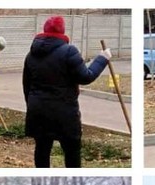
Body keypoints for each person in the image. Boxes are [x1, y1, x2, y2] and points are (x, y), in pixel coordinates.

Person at [22, 16, 111, 168]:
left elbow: (26, 86)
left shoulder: (31, 55)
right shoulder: (69, 51)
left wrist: (32, 105)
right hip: (64, 113)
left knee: (42, 149)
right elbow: (86, 76)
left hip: (38, 111)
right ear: (62, 31)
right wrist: (102, 59)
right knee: (72, 151)